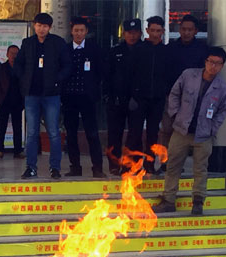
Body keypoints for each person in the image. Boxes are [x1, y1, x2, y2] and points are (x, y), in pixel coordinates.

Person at [152, 47, 226, 216]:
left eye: (218, 63)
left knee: (200, 169)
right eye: (211, 62)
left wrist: (213, 128)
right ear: (205, 61)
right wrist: (175, 114)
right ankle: (168, 200)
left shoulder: (222, 87)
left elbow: (223, 110)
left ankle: (198, 202)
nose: (213, 66)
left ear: (222, 66)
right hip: (181, 130)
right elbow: (174, 94)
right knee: (173, 165)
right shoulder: (188, 75)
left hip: (204, 134)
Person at [15, 12, 71, 180]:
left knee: (53, 132)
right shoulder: (27, 43)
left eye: (45, 26)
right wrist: (24, 79)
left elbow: (67, 66)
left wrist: (57, 80)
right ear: (34, 26)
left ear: (50, 27)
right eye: (39, 26)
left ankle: (55, 168)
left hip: (51, 94)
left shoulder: (58, 43)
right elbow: (18, 64)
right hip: (31, 94)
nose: (41, 29)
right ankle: (31, 167)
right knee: (32, 133)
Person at [61, 17, 105, 178]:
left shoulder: (94, 49)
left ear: (86, 32)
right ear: (71, 31)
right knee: (71, 134)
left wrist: (94, 88)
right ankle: (75, 167)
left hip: (88, 98)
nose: (78, 33)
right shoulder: (65, 49)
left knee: (92, 133)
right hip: (69, 98)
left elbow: (101, 72)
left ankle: (97, 167)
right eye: (76, 30)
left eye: (81, 30)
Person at [125, 16, 169, 174]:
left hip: (157, 100)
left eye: (158, 31)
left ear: (163, 31)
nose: (155, 34)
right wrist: (132, 95)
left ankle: (149, 164)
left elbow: (169, 76)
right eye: (153, 30)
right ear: (147, 30)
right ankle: (132, 165)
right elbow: (129, 74)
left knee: (153, 134)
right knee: (134, 133)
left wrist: (164, 93)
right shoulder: (138, 49)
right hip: (139, 99)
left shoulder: (166, 52)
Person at [159, 14, 208, 151]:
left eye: (190, 30)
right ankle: (166, 159)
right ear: (179, 29)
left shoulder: (203, 50)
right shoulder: (170, 48)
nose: (186, 32)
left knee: (190, 128)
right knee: (167, 128)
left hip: (193, 96)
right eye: (184, 29)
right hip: (172, 95)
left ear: (196, 31)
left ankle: (186, 157)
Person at [104, 19, 142, 174]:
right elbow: (107, 75)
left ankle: (132, 165)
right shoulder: (115, 51)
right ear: (124, 34)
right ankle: (114, 164)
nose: (132, 36)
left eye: (135, 33)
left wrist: (139, 96)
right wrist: (108, 96)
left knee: (135, 134)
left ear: (140, 33)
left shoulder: (145, 50)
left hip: (137, 100)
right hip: (117, 99)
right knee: (114, 134)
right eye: (129, 33)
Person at [0, 45, 24, 159]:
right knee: (2, 126)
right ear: (7, 54)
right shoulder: (1, 68)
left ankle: (17, 151)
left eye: (16, 54)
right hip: (4, 101)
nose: (14, 56)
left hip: (17, 101)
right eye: (12, 53)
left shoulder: (21, 68)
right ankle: (0, 150)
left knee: (17, 127)